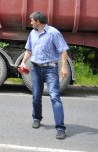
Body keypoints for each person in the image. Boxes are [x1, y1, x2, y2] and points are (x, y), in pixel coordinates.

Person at [18, 11, 69, 140]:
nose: (30, 22)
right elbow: (29, 50)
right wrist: (23, 63)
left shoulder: (53, 33)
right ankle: (36, 118)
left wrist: (63, 67)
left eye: (32, 20)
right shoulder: (32, 33)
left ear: (38, 21)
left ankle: (60, 128)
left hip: (51, 69)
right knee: (36, 96)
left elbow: (63, 50)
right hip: (35, 68)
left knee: (55, 97)